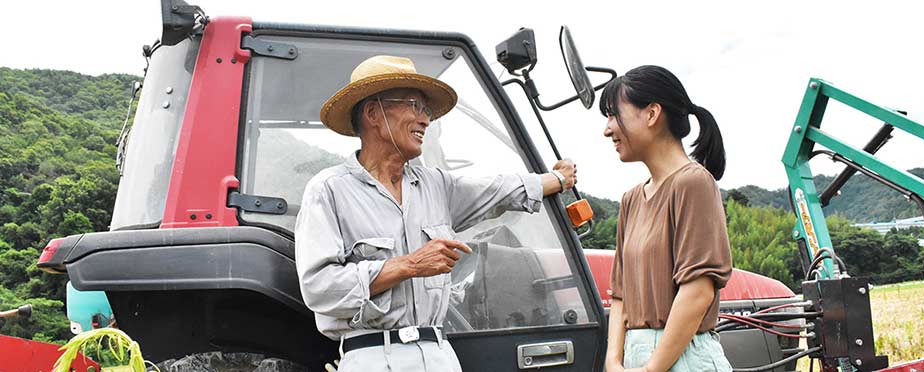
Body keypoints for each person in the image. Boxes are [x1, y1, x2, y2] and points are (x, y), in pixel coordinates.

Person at [294, 55, 577, 372]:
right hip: (372, 356)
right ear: (374, 113)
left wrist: (558, 180)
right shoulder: (329, 190)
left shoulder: (437, 186)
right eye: (414, 106)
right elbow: (319, 287)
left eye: (426, 110)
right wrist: (409, 265)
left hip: (439, 355)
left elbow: (497, 189)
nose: (426, 120)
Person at [601, 65, 733, 372]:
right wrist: (613, 362)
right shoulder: (631, 200)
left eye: (613, 114)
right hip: (638, 359)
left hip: (683, 358)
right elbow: (620, 295)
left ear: (651, 114)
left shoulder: (693, 182)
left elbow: (698, 289)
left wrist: (651, 369)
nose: (607, 129)